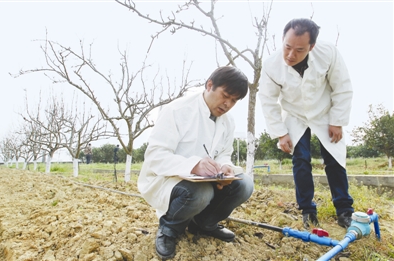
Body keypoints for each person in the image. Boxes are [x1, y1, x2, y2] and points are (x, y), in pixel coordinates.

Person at [138, 66, 254, 260]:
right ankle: (169, 229)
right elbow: (156, 155)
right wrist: (193, 165)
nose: (227, 104)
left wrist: (226, 168)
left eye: (234, 100)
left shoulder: (227, 121)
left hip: (204, 180)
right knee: (201, 193)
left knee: (244, 185)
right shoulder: (177, 110)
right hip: (167, 179)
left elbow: (224, 153)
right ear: (209, 85)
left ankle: (204, 224)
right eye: (225, 95)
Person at [258, 18, 354, 230]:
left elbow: (342, 86)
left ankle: (345, 210)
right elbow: (267, 100)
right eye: (287, 47)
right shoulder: (271, 65)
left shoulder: (328, 53)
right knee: (300, 160)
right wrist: (281, 133)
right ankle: (308, 211)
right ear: (283, 40)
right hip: (295, 115)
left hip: (324, 113)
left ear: (312, 46)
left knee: (334, 160)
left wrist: (337, 121)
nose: (291, 55)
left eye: (299, 50)